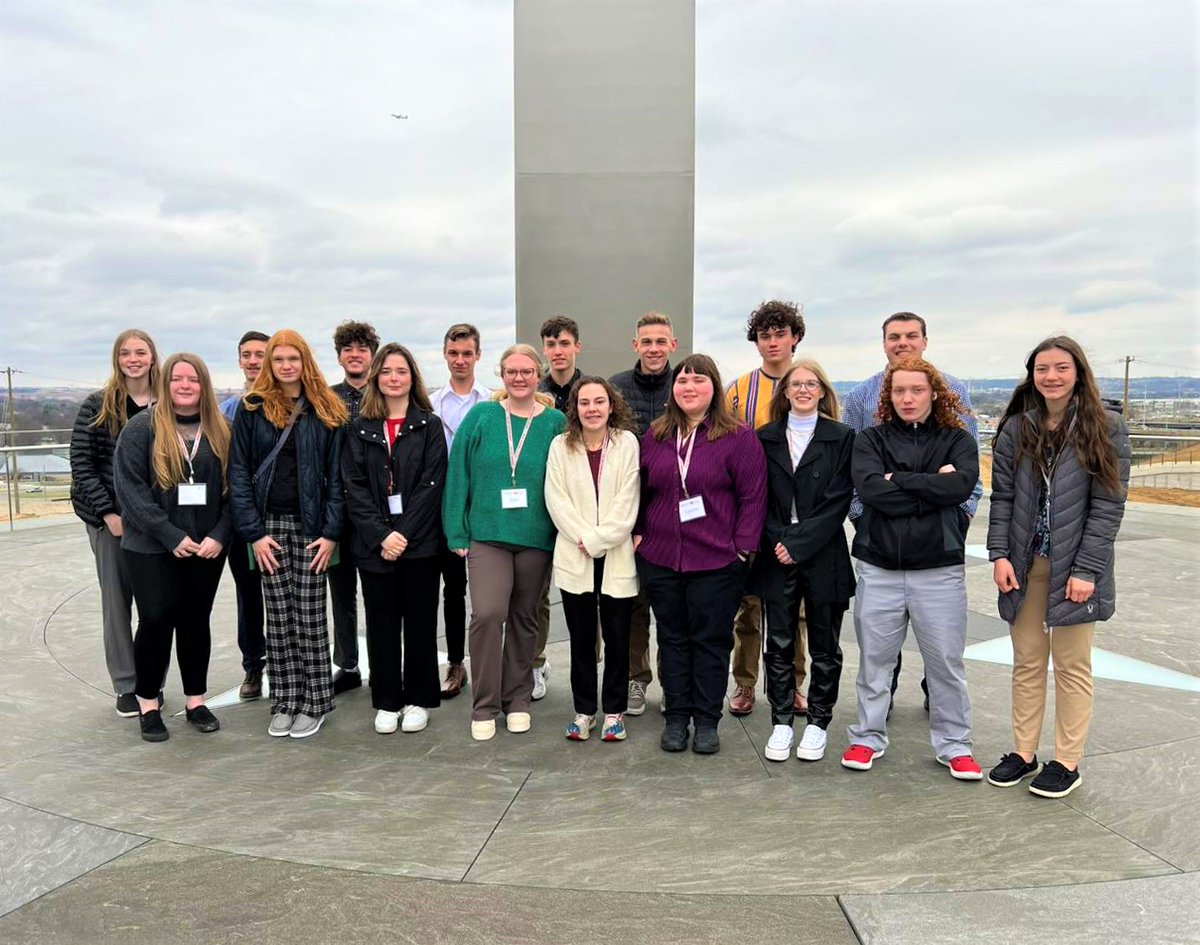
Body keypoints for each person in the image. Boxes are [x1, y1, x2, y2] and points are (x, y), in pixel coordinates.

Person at [986, 337, 1130, 798]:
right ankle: (1023, 752)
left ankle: (1066, 761)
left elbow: (1109, 506)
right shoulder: (1017, 428)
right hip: (1026, 564)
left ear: (1078, 372)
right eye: (1042, 368)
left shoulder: (1105, 426)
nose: (1051, 376)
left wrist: (1087, 568)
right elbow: (1003, 497)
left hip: (1076, 568)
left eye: (1060, 367)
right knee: (1027, 661)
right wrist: (999, 554)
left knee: (1071, 665)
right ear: (1032, 375)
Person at [842, 357, 982, 780]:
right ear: (888, 396)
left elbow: (960, 486)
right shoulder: (869, 439)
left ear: (933, 393)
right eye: (899, 391)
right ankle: (866, 737)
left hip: (938, 568)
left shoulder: (957, 439)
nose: (907, 398)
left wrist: (899, 479)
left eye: (916, 390)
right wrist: (931, 486)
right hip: (880, 567)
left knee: (945, 662)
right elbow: (870, 491)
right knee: (875, 662)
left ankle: (955, 745)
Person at [635, 354, 767, 755]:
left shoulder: (737, 436)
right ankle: (676, 716)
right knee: (672, 639)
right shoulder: (656, 435)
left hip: (716, 560)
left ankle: (707, 719)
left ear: (714, 388)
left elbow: (753, 495)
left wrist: (742, 548)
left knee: (710, 642)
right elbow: (638, 490)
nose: (688, 387)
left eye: (698, 380)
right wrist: (639, 534)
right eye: (682, 381)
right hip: (661, 557)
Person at [442, 344, 566, 740]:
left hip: (535, 536)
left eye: (526, 371)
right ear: (501, 374)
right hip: (487, 534)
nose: (518, 378)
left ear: (538, 374)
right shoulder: (482, 416)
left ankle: (517, 700)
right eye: (511, 371)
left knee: (525, 618)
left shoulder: (555, 422)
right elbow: (458, 472)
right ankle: (484, 704)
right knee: (487, 614)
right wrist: (455, 529)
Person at [228, 329, 347, 739]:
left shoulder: (325, 408)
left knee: (311, 616)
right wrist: (253, 533)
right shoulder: (252, 409)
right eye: (277, 359)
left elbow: (337, 477)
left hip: (313, 527)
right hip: (268, 528)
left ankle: (315, 701)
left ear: (305, 362)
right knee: (277, 616)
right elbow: (239, 473)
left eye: (292, 359)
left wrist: (331, 533)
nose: (285, 366)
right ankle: (284, 700)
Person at [113, 353, 231, 742]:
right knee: (157, 618)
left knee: (196, 620)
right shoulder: (140, 429)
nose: (184, 385)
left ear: (204, 385)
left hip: (206, 546)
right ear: (165, 383)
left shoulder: (222, 430)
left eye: (193, 379)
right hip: (150, 545)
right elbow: (131, 491)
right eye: (177, 378)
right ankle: (148, 702)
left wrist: (220, 534)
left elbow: (238, 489)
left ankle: (196, 701)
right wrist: (170, 535)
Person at [751, 359, 855, 763]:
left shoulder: (842, 437)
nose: (804, 390)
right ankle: (781, 720)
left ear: (823, 391)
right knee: (778, 642)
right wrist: (781, 540)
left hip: (823, 551)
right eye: (797, 384)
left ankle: (817, 722)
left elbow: (840, 499)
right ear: (785, 392)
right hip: (776, 550)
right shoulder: (766, 438)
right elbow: (757, 496)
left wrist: (801, 542)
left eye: (812, 384)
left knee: (825, 644)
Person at [342, 344, 447, 735]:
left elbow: (432, 484)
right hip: (374, 547)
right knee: (382, 625)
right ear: (376, 378)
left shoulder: (429, 425)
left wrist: (403, 534)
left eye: (401, 371)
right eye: (386, 371)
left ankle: (419, 699)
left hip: (419, 546)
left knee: (420, 625)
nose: (393, 378)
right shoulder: (359, 427)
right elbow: (353, 485)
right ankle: (387, 700)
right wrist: (382, 535)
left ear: (412, 377)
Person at [70, 329, 160, 718]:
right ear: (117, 359)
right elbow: (82, 465)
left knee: (156, 606)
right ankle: (127, 684)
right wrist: (108, 513)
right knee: (117, 604)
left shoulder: (167, 403)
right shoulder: (98, 405)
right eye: (126, 353)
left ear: (154, 356)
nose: (134, 358)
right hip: (114, 523)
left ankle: (150, 680)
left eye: (141, 352)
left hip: (157, 523)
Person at [724, 300, 808, 718]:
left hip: (796, 515)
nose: (773, 341)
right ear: (756, 341)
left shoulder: (810, 384)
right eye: (765, 335)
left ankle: (793, 685)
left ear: (795, 337)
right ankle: (744, 684)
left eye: (780, 333)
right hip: (751, 512)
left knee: (796, 608)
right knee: (749, 606)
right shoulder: (739, 390)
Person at [545, 377, 640, 742]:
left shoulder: (626, 443)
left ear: (611, 405)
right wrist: (585, 538)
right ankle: (584, 711)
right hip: (576, 553)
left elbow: (628, 499)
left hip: (615, 554)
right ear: (575, 408)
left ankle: (614, 712)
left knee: (618, 638)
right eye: (585, 403)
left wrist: (599, 539)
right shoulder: (560, 446)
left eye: (599, 401)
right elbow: (556, 498)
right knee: (582, 640)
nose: (593, 409)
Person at [609, 311, 677, 715]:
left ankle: (673, 683)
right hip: (627, 512)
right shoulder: (617, 388)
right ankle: (637, 680)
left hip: (674, 514)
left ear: (673, 344)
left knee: (670, 606)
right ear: (636, 345)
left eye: (661, 341)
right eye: (646, 341)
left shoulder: (685, 382)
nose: (653, 349)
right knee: (632, 605)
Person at [429, 323, 491, 699]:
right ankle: (456, 661)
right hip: (443, 503)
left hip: (481, 503)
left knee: (490, 593)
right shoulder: (431, 404)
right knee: (452, 588)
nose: (460, 360)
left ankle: (494, 659)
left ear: (478, 356)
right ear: (445, 354)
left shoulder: (491, 402)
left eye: (467, 353)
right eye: (454, 353)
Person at [532, 314, 584, 699]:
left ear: (576, 347)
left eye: (564, 343)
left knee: (588, 594)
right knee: (536, 593)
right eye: (551, 345)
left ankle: (591, 665)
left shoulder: (593, 390)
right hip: (540, 504)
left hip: (583, 508)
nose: (558, 351)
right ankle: (536, 662)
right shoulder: (533, 391)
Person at [328, 319, 380, 695]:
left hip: (378, 512)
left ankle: (383, 662)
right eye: (348, 349)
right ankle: (347, 665)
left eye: (362, 348)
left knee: (381, 594)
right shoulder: (325, 399)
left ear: (372, 354)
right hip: (338, 512)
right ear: (340, 356)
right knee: (341, 593)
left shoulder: (386, 394)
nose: (355, 354)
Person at [219, 330, 270, 700]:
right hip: (243, 519)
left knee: (292, 598)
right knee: (249, 596)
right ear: (239, 360)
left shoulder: (287, 404)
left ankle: (293, 666)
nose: (253, 360)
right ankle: (253, 666)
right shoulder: (226, 412)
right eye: (247, 355)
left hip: (282, 515)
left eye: (260, 354)